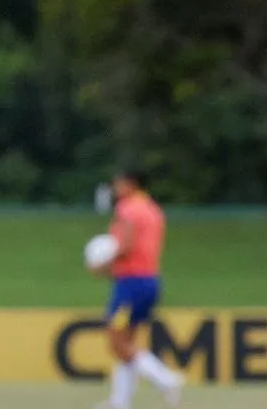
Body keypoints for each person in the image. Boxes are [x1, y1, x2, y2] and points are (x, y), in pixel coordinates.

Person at [93, 171, 183, 409]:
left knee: (117, 342)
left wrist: (101, 264)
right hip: (150, 280)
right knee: (128, 342)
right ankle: (120, 402)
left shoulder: (128, 209)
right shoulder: (153, 209)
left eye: (119, 184)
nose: (116, 189)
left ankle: (166, 379)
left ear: (131, 184)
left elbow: (126, 246)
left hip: (131, 284)